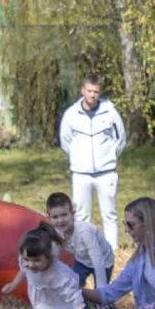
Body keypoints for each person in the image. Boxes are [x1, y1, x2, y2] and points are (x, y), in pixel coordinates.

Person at [59, 74, 127, 247]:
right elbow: (66, 142)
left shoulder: (110, 112)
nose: (92, 95)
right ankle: (84, 251)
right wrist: (78, 159)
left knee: (110, 214)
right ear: (83, 90)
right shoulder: (71, 115)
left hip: (106, 172)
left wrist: (110, 157)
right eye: (89, 91)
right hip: (81, 173)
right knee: (81, 216)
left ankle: (112, 252)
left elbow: (120, 140)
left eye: (96, 91)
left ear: (100, 92)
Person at [46, 191, 115, 289]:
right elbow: (55, 255)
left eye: (64, 215)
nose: (60, 220)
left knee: (101, 292)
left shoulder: (84, 231)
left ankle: (106, 303)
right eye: (55, 217)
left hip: (103, 261)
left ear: (73, 214)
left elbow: (97, 258)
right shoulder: (57, 232)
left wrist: (101, 291)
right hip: (82, 261)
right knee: (73, 286)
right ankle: (82, 303)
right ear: (49, 218)